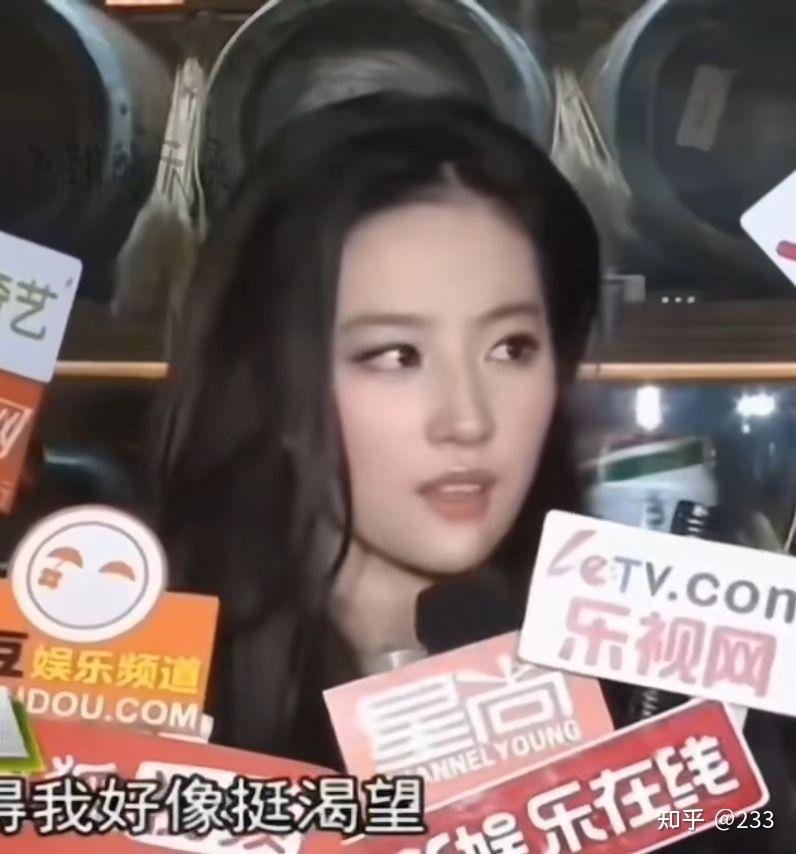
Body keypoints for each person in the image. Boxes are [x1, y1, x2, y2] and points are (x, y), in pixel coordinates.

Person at [151, 92, 599, 767]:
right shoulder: (145, 707)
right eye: (396, 356)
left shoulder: (643, 696)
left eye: (511, 348)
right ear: (269, 374)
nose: (468, 421)